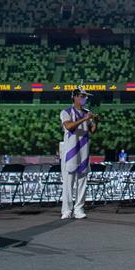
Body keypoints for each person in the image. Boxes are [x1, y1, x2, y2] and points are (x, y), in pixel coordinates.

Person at [60, 86, 98, 220]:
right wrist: (85, 119)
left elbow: (92, 130)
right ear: (75, 97)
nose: (84, 99)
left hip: (84, 149)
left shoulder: (87, 112)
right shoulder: (66, 112)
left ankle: (79, 208)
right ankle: (67, 210)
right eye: (82, 96)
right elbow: (69, 127)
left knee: (82, 180)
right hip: (71, 150)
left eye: (85, 97)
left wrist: (95, 121)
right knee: (68, 181)